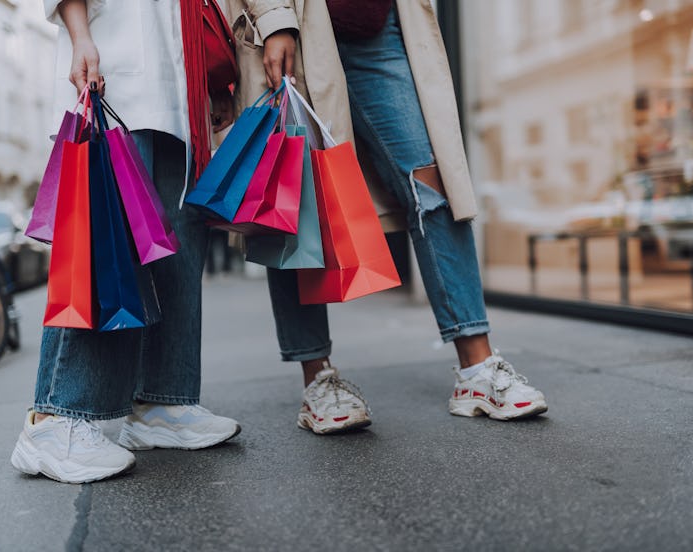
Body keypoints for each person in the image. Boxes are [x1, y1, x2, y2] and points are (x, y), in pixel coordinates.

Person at [225, 0, 547, 434]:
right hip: (299, 23)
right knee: (292, 198)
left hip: (380, 29)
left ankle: (477, 368)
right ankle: (317, 377)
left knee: (431, 185)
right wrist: (274, 20)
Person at [10, 0, 240, 484]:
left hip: (177, 86)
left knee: (177, 245)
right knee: (104, 244)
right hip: (114, 65)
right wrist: (79, 35)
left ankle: (162, 400)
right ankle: (56, 420)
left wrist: (213, 77)